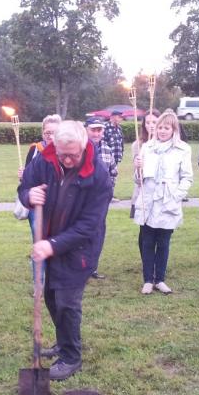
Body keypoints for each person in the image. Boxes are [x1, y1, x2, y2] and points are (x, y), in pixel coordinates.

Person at [18, 120, 112, 381]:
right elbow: (25, 185)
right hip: (49, 239)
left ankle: (71, 356)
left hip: (79, 247)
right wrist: (28, 195)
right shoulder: (45, 159)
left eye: (72, 155)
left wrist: (53, 245)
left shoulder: (99, 175)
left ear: (84, 146)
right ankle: (63, 342)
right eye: (62, 154)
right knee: (50, 296)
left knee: (67, 302)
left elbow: (89, 225)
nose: (67, 160)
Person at [133, 111, 193, 294]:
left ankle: (160, 279)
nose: (162, 131)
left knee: (164, 242)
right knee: (147, 241)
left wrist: (176, 195)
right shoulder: (147, 147)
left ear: (174, 129)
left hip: (168, 201)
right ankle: (148, 280)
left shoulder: (183, 149)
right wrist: (138, 169)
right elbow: (138, 180)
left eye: (166, 127)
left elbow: (187, 177)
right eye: (160, 127)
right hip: (148, 200)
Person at [20, 115, 61, 285]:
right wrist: (23, 177)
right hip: (38, 206)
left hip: (59, 206)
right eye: (47, 132)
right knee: (39, 242)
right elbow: (27, 182)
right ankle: (39, 283)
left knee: (57, 243)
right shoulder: (35, 150)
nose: (50, 136)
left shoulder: (65, 151)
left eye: (54, 133)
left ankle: (57, 282)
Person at [85, 115, 115, 279]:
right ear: (86, 130)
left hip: (101, 201)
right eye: (93, 130)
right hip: (83, 200)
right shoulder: (79, 148)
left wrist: (109, 192)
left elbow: (113, 172)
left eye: (99, 130)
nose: (96, 133)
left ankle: (92, 268)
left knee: (98, 232)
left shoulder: (107, 149)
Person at [130, 111, 159, 218]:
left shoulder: (164, 144)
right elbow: (137, 178)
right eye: (147, 122)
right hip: (143, 192)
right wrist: (138, 167)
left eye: (154, 122)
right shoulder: (138, 145)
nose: (151, 125)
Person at [103, 109, 124, 183]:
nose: (121, 118)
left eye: (121, 117)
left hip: (116, 158)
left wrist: (121, 154)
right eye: (119, 117)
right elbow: (102, 142)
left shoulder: (119, 128)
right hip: (106, 158)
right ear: (112, 117)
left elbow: (121, 142)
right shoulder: (105, 127)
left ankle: (110, 193)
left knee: (113, 177)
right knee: (105, 177)